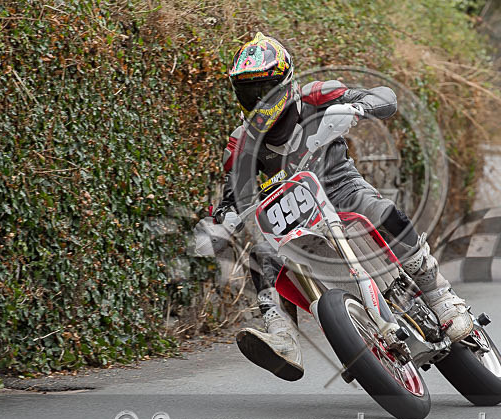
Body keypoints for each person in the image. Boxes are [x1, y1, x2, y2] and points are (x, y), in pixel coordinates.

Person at [197, 32, 472, 381]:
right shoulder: (240, 144)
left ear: (284, 81)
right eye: (248, 91)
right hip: (291, 218)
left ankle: (439, 294)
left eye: (263, 88)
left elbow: (384, 97)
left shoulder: (316, 96)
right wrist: (222, 219)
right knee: (259, 250)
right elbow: (230, 195)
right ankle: (281, 335)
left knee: (380, 209)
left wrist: (360, 106)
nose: (257, 98)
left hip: (341, 190)